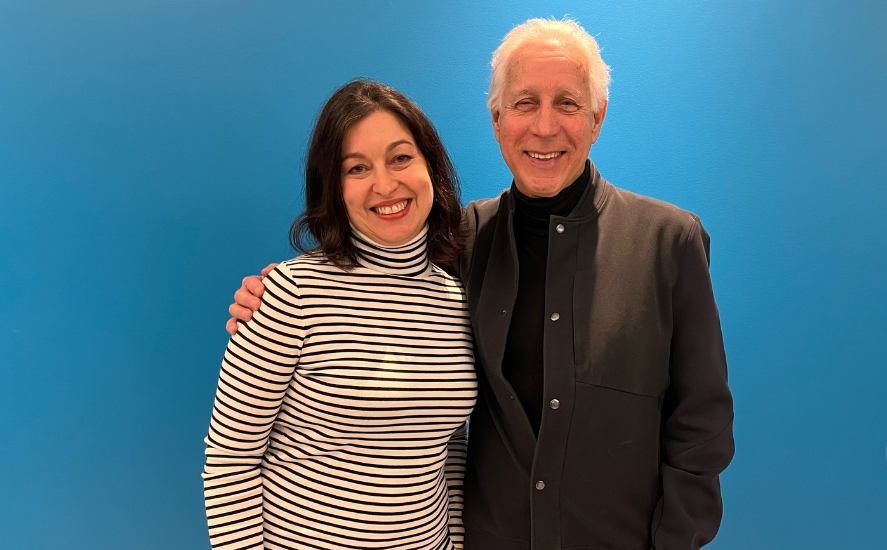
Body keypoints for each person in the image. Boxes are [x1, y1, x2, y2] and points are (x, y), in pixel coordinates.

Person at [228, 18, 734, 550]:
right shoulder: (461, 244)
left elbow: (701, 420)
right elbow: (373, 273)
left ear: (597, 118)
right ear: (496, 120)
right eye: (523, 103)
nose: (544, 127)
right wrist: (268, 295)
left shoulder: (669, 241)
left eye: (566, 102)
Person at [203, 80, 477, 550]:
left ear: (431, 165)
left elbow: (447, 447)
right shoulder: (291, 293)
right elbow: (230, 459)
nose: (385, 184)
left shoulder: (455, 296)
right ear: (334, 187)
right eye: (357, 168)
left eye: (400, 157)